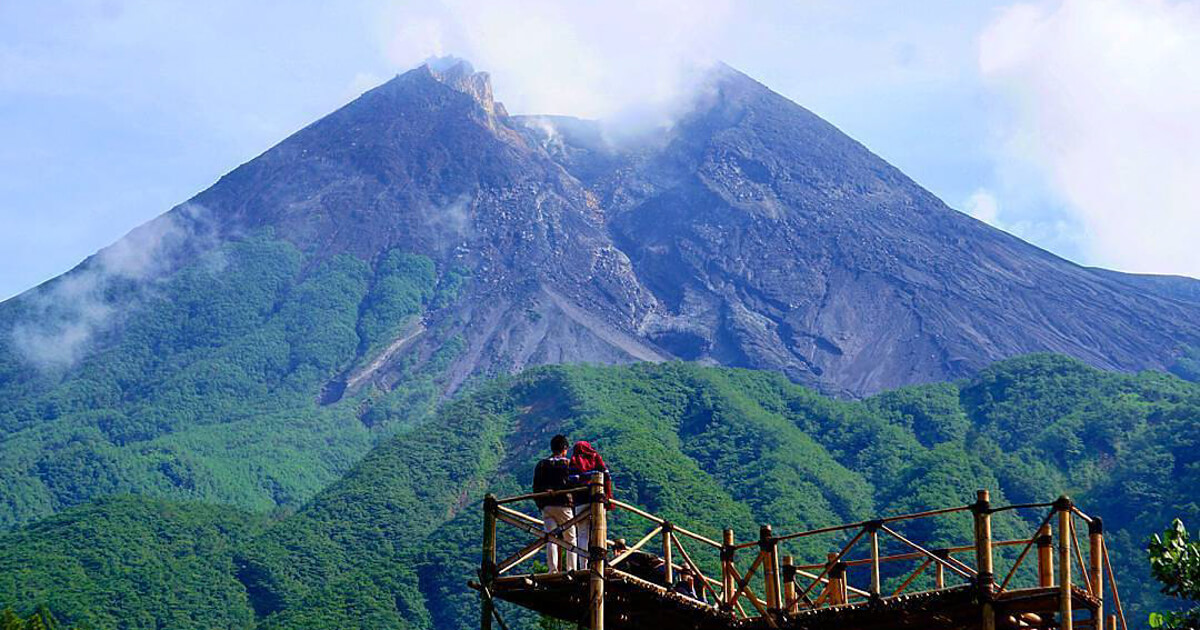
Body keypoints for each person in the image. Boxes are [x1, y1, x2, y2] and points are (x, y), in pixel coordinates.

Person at [532, 434, 575, 573]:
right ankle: (571, 569)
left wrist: (541, 504)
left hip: (547, 506)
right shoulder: (567, 464)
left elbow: (536, 486)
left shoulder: (542, 464)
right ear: (564, 448)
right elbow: (571, 484)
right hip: (564, 505)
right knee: (570, 538)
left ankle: (552, 569)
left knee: (551, 538)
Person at [567, 440, 613, 569]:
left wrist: (583, 478)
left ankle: (583, 566)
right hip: (597, 499)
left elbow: (572, 480)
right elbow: (606, 475)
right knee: (600, 531)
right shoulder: (596, 457)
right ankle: (600, 564)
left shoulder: (574, 460)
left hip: (580, 500)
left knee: (582, 533)